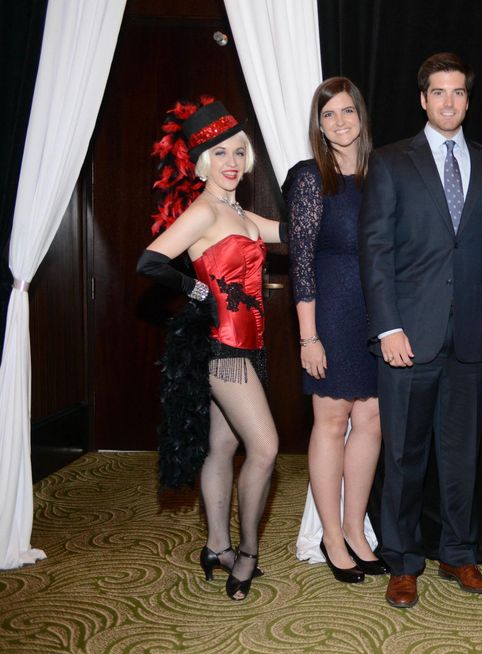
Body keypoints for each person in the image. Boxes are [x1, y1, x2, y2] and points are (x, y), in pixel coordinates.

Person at [358, 52, 482, 609]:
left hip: (472, 337)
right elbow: (374, 253)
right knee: (403, 455)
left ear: (468, 100)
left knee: (462, 453)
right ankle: (402, 560)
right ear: (423, 100)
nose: (449, 102)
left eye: (458, 93)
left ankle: (459, 553)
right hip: (408, 337)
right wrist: (388, 328)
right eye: (439, 93)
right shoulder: (391, 162)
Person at [136, 99, 287, 601]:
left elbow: (286, 233)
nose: (231, 162)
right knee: (264, 448)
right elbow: (150, 261)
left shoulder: (236, 210)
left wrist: (328, 206)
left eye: (239, 152)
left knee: (222, 445)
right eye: (220, 153)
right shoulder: (204, 210)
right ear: (202, 162)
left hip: (251, 346)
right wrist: (196, 290)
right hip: (223, 348)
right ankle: (246, 553)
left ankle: (215, 545)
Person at [283, 77, 386, 584]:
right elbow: (300, 261)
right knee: (330, 421)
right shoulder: (308, 178)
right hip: (328, 311)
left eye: (347, 111)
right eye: (329, 115)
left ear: (361, 116)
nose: (340, 122)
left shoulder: (382, 174)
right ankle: (329, 534)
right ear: (318, 125)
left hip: (377, 313)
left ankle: (355, 528)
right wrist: (308, 336)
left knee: (370, 420)